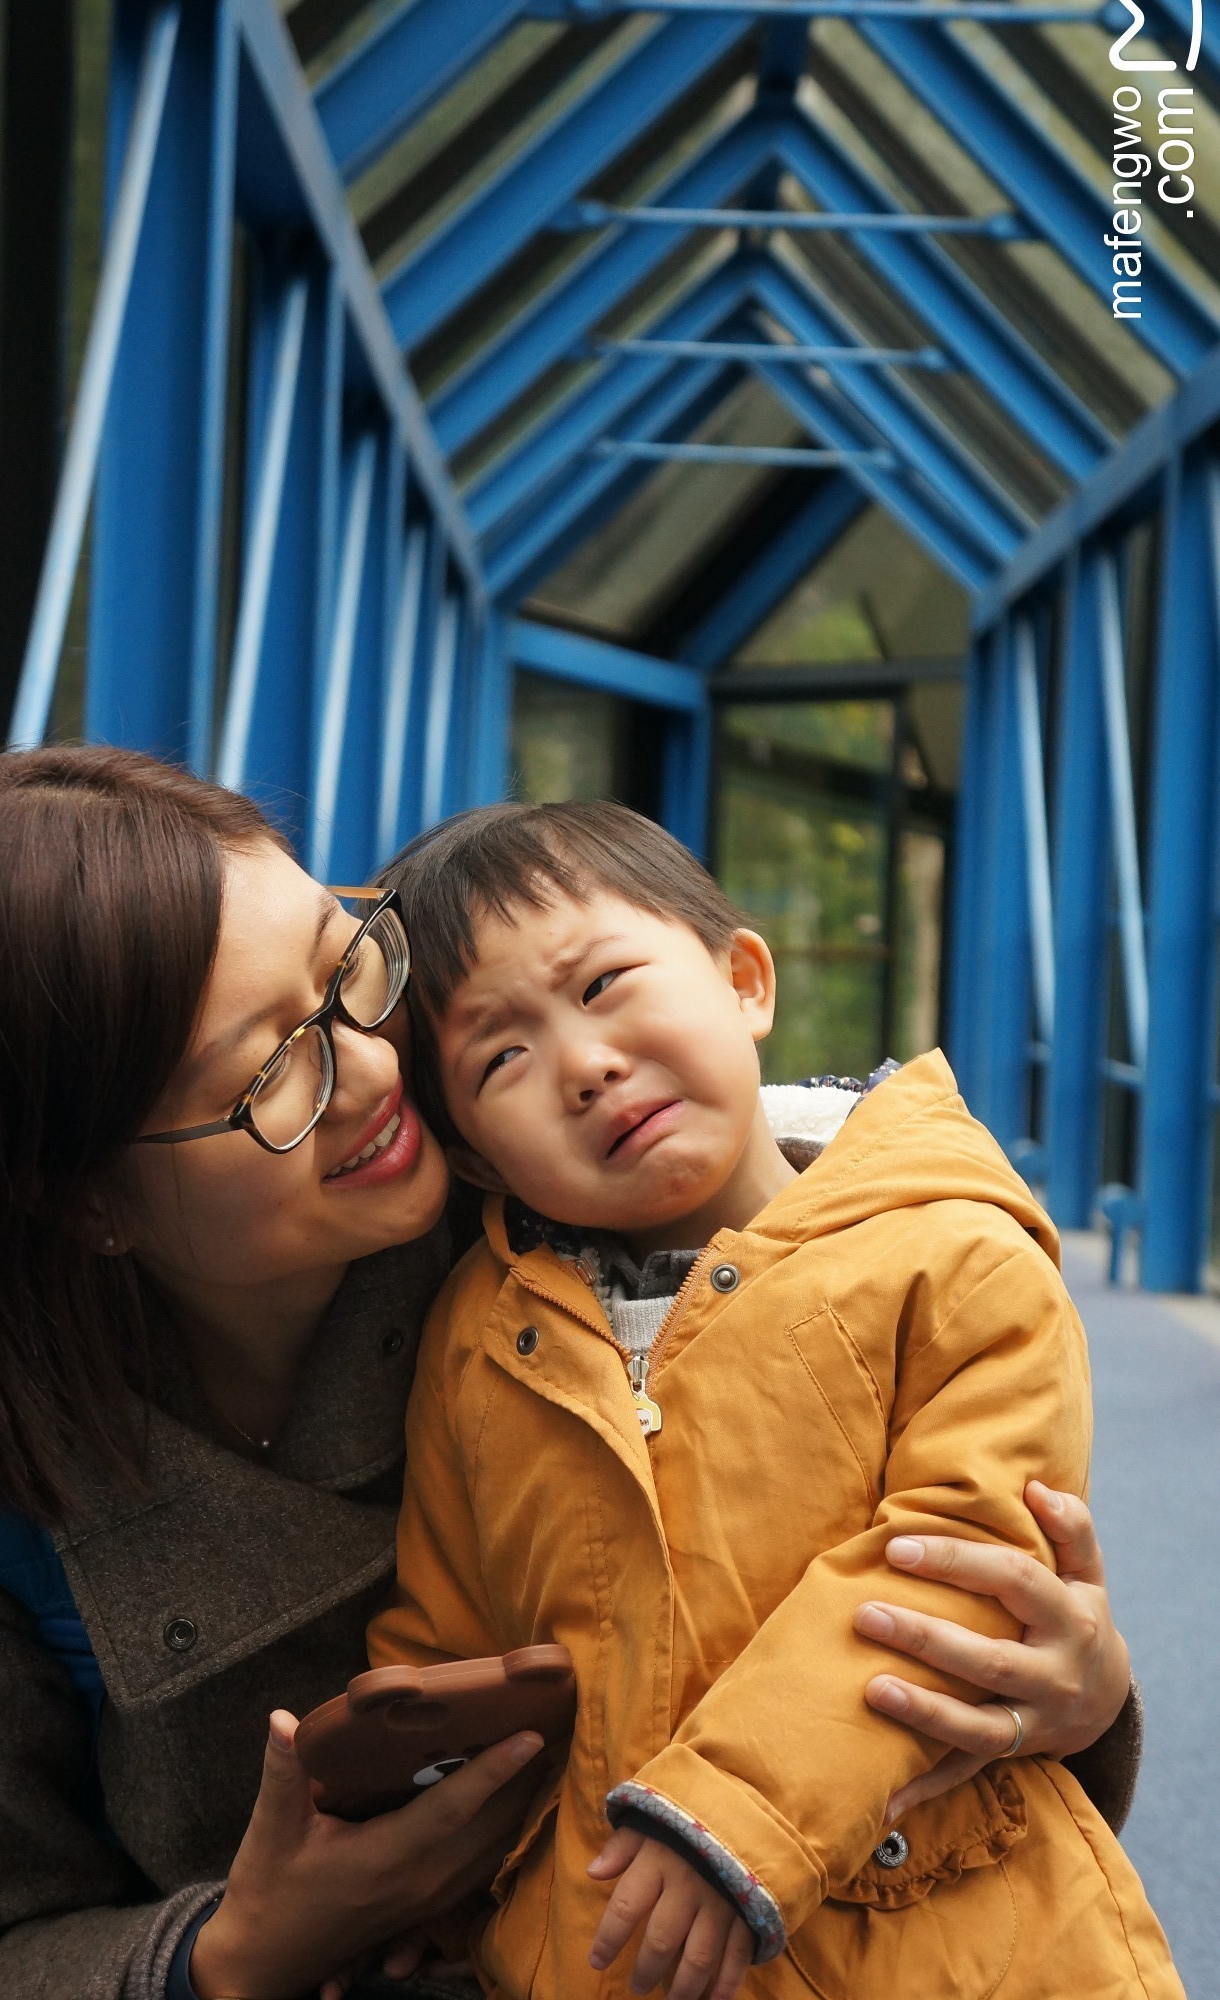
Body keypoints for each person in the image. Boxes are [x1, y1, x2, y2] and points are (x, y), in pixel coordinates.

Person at [0, 748, 1137, 2000]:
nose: (373, 1072)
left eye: (342, 966)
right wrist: (233, 1953)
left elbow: (873, 1543)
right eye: (269, 1075)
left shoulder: (569, 1225)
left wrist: (1070, 1699)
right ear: (88, 1206)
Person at [366, 798, 1179, 2000]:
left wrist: (731, 1810)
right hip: (611, 1948)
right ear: (478, 1155)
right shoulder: (483, 1336)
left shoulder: (945, 1251)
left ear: (743, 979)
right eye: (501, 1055)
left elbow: (952, 1559)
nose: (583, 1065)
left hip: (947, 1930)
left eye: (600, 986)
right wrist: (412, 1877)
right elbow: (450, 1634)